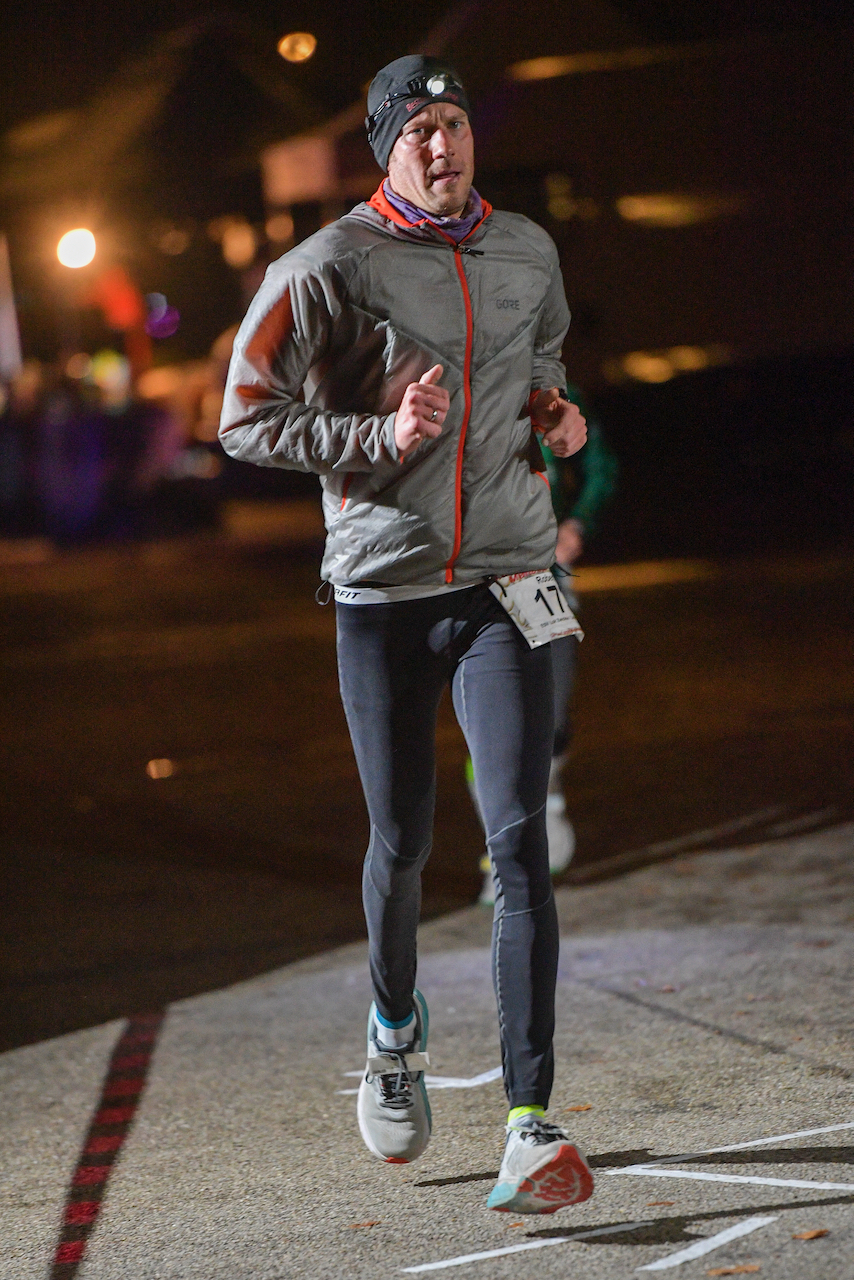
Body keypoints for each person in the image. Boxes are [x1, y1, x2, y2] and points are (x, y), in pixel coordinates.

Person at [219, 54, 595, 1215]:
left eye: (454, 123)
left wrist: (558, 412)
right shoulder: (328, 264)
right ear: (383, 148)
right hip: (383, 592)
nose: (442, 145)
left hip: (507, 580)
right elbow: (242, 417)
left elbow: (542, 361)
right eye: (417, 128)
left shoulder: (525, 248)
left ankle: (530, 1123)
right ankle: (393, 1028)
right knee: (403, 840)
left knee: (518, 841)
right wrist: (372, 435)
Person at [474, 389, 617, 904]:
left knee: (551, 712)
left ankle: (547, 800)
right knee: (489, 715)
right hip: (470, 575)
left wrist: (578, 522)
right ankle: (504, 850)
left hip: (538, 575)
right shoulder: (456, 385)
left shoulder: (556, 394)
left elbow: (601, 467)